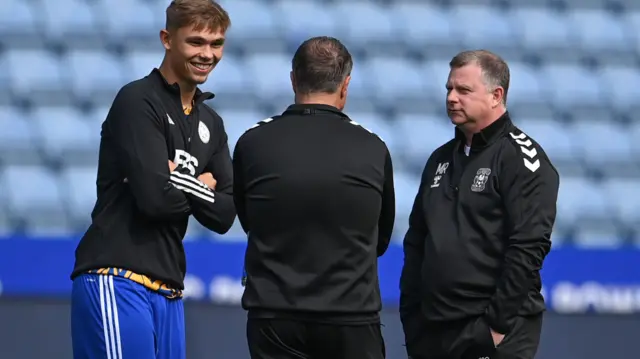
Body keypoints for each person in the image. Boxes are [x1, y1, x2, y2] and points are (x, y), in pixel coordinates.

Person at [69, 1, 235, 358]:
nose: (207, 54)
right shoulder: (137, 101)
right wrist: (200, 184)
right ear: (167, 39)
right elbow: (154, 199)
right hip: (116, 278)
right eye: (196, 42)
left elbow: (225, 215)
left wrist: (178, 178)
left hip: (170, 290)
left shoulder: (212, 123)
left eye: (216, 43)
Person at [233, 36, 395, 359]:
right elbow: (381, 238)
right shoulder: (373, 148)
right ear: (345, 86)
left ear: (293, 79)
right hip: (351, 319)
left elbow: (248, 219)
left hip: (274, 317)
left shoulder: (253, 143)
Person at [399, 50, 559, 359]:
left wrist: (495, 329)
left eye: (463, 90)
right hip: (433, 332)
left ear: (496, 95)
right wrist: (412, 316)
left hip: (491, 333)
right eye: (449, 88)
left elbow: (527, 247)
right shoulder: (440, 158)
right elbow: (416, 239)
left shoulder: (522, 159)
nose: (451, 98)